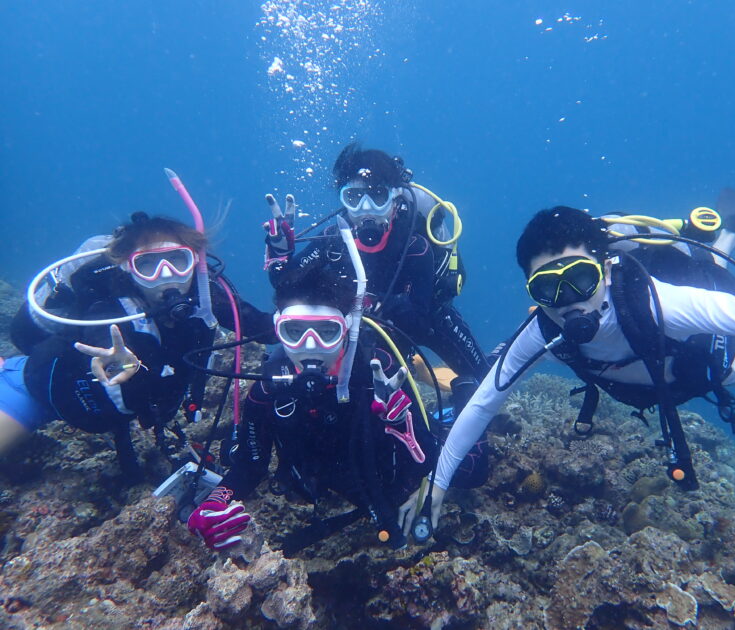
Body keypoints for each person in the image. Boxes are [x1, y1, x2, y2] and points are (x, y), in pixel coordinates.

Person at [398, 205, 735, 533]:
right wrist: (437, 483)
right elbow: (481, 406)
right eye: (548, 288)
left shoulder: (658, 303)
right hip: (654, 380)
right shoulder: (541, 334)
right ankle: (720, 243)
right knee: (709, 275)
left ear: (606, 270)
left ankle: (723, 245)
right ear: (532, 292)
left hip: (729, 363)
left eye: (581, 278)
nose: (570, 300)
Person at [0, 212, 275, 479]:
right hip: (33, 392)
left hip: (111, 419)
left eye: (177, 261)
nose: (166, 275)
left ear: (195, 263)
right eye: (148, 265)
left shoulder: (206, 298)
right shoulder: (108, 307)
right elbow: (104, 336)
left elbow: (265, 327)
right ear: (128, 269)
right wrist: (123, 361)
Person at [186, 264, 439, 552]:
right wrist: (214, 502)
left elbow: (427, 456)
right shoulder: (269, 388)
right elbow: (249, 466)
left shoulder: (378, 372)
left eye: (326, 332)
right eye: (294, 331)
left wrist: (398, 421)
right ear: (278, 330)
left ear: (347, 331)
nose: (310, 346)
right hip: (322, 480)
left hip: (377, 478)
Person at [264, 143, 490, 388]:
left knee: (488, 382)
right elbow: (286, 284)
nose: (366, 209)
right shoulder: (333, 241)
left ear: (394, 196)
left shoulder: (414, 247)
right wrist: (279, 256)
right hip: (374, 333)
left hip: (432, 320)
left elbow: (420, 323)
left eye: (377, 196)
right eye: (354, 198)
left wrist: (374, 302)